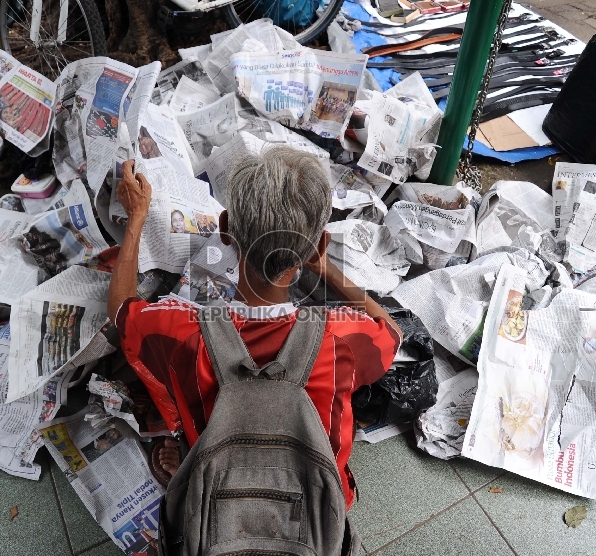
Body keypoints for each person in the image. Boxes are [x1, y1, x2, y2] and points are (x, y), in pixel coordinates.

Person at [107, 147, 402, 509]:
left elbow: (121, 309)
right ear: (318, 246)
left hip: (217, 503)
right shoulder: (340, 338)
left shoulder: (182, 332)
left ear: (226, 230)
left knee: (186, 430)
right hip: (316, 512)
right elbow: (390, 329)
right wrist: (326, 269)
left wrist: (136, 217)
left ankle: (190, 458)